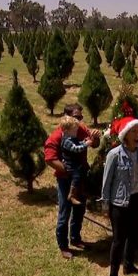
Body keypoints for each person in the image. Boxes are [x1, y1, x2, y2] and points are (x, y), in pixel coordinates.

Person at [101, 116, 138, 276]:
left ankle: (128, 266)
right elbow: (106, 183)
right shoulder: (114, 154)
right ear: (125, 135)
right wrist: (106, 205)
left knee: (134, 235)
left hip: (137, 199)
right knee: (118, 239)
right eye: (134, 131)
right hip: (119, 203)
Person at [44, 103, 100, 259]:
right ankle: (63, 245)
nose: (80, 121)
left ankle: (76, 238)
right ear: (66, 117)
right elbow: (50, 158)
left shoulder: (80, 129)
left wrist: (96, 137)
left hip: (80, 177)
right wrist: (69, 171)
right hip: (65, 180)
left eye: (81, 117)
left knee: (80, 209)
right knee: (65, 212)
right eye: (77, 117)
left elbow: (94, 144)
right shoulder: (56, 136)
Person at [59, 115, 93, 205]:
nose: (76, 132)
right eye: (74, 131)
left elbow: (78, 143)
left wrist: (84, 142)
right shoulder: (66, 141)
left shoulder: (71, 138)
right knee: (76, 176)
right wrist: (86, 145)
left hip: (75, 164)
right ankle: (71, 195)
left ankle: (81, 191)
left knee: (82, 174)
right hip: (70, 165)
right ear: (66, 131)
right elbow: (76, 149)